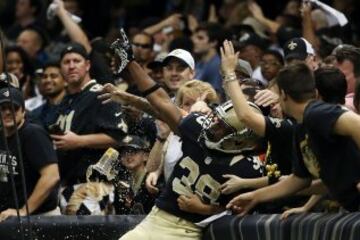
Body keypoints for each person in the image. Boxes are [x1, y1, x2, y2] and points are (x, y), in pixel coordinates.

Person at [101, 32, 265, 240]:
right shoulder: (199, 127)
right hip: (156, 218)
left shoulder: (250, 166)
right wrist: (132, 64)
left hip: (186, 231)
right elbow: (161, 103)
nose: (213, 124)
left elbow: (245, 207)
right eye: (216, 119)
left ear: (242, 139)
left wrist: (205, 209)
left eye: (222, 126)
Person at [225, 60, 360, 215]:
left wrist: (229, 73)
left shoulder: (316, 113)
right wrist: (255, 196)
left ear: (282, 95)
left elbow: (356, 124)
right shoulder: (301, 128)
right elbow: (299, 180)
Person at [49, 42, 128, 209]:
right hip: (66, 185)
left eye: (76, 61)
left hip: (94, 186)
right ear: (61, 69)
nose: (71, 66)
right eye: (66, 62)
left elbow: (118, 137)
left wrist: (79, 141)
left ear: (87, 65)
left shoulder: (101, 94)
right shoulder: (65, 100)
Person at [0, 87, 60, 221]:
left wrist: (23, 210)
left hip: (40, 218)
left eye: (13, 108)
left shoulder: (33, 134)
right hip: (9, 218)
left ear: (23, 111)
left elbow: (51, 176)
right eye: (2, 108)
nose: (7, 112)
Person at [30, 61, 66, 129]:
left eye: (53, 76)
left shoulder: (74, 108)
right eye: (44, 77)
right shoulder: (35, 114)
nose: (48, 80)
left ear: (65, 81)